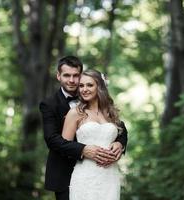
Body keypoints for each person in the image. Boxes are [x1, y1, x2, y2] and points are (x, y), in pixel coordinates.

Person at [39, 56, 128, 200]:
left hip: (106, 174)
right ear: (58, 76)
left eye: (76, 76)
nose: (72, 80)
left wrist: (120, 143)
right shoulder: (50, 104)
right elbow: (52, 139)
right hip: (67, 173)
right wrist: (83, 150)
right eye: (67, 75)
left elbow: (120, 128)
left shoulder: (104, 108)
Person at [62, 69, 126, 200]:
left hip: (110, 176)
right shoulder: (75, 113)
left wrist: (119, 143)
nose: (84, 89)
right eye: (81, 86)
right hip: (85, 176)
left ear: (100, 87)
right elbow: (64, 146)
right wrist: (84, 150)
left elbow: (122, 133)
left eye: (89, 85)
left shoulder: (111, 114)